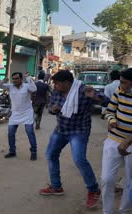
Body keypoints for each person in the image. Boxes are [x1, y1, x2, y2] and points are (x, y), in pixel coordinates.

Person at [39, 70, 109, 209]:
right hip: (61, 130)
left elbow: (107, 102)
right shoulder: (56, 92)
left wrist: (95, 96)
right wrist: (53, 109)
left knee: (79, 159)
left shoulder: (84, 90)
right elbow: (51, 109)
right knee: (51, 155)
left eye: (57, 83)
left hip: (79, 131)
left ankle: (93, 190)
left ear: (66, 83)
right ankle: (56, 186)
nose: (55, 85)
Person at [102, 68, 132, 214]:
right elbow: (109, 110)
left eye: (124, 82)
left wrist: (128, 140)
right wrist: (112, 120)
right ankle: (107, 211)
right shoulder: (119, 90)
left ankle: (124, 210)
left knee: (130, 182)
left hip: (130, 143)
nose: (120, 84)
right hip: (114, 139)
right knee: (107, 179)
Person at [0, 72, 38, 160]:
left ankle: (34, 152)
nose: (15, 80)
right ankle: (12, 151)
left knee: (30, 132)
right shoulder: (10, 86)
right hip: (15, 113)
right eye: (13, 79)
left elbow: (34, 89)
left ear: (21, 79)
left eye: (17, 78)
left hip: (27, 113)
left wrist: (29, 78)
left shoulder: (26, 86)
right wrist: (3, 80)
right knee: (11, 133)